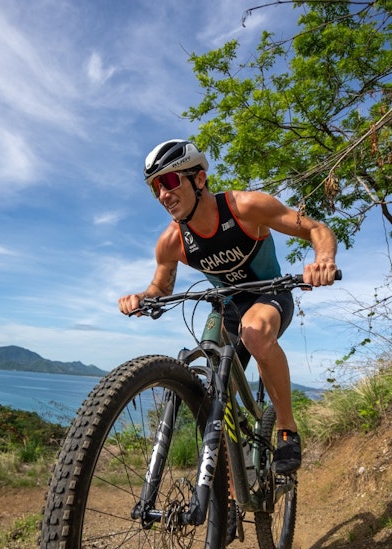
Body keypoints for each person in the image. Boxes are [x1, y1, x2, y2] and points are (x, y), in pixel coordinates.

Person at [118, 139, 338, 476]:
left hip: (270, 295)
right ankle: (235, 483)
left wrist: (323, 260)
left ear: (199, 179)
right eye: (156, 187)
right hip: (228, 307)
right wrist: (141, 298)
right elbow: (160, 288)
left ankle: (286, 428)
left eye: (170, 181)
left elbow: (315, 229)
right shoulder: (172, 241)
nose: (163, 194)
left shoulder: (245, 207)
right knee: (213, 401)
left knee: (255, 332)